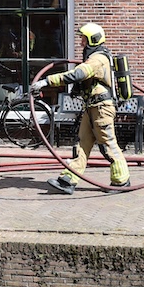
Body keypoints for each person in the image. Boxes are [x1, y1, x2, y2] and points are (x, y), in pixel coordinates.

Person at [35, 22, 130, 193]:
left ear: (92, 40)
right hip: (91, 107)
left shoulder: (98, 59)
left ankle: (121, 180)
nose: (81, 43)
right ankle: (68, 179)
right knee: (81, 144)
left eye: (84, 40)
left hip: (102, 109)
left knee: (107, 144)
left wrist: (46, 81)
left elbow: (79, 74)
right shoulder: (93, 58)